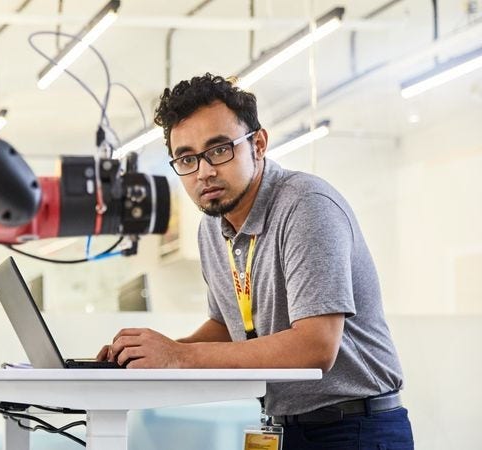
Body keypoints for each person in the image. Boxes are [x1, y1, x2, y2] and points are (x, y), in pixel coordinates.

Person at [96, 73, 414, 449]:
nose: (204, 171)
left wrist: (179, 356)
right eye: (186, 158)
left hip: (352, 429)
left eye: (219, 150)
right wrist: (150, 356)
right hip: (283, 426)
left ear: (258, 144)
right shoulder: (212, 228)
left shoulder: (305, 206)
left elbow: (316, 348)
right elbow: (225, 326)